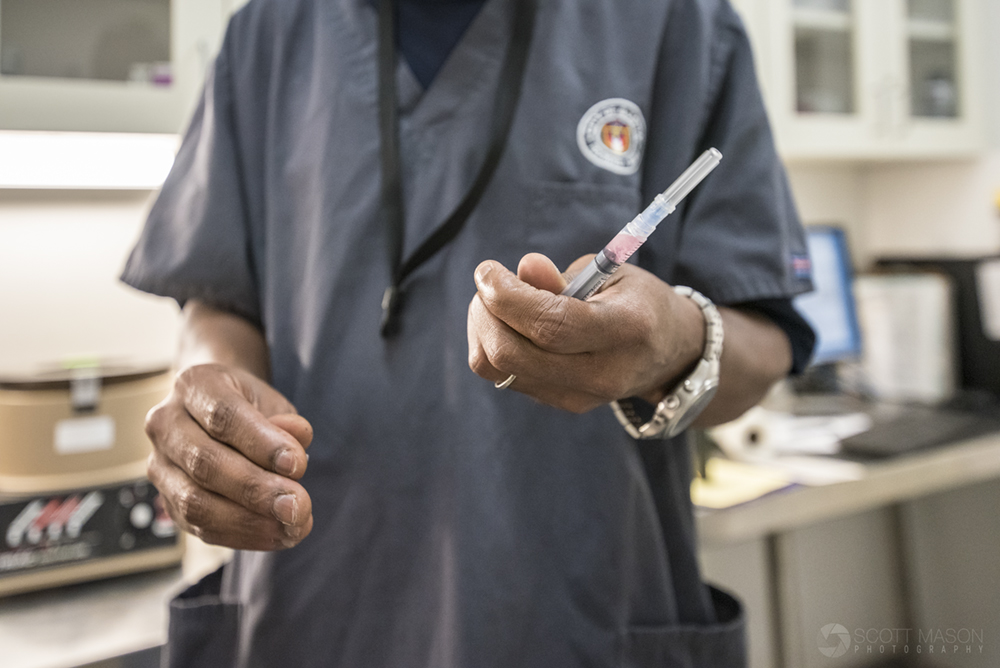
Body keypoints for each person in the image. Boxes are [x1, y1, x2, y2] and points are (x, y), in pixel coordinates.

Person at [122, 0, 815, 666]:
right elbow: (217, 300)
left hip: (575, 615)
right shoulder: (268, 33)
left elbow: (766, 339)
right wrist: (212, 395)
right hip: (310, 605)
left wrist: (675, 342)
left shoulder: (679, 24)